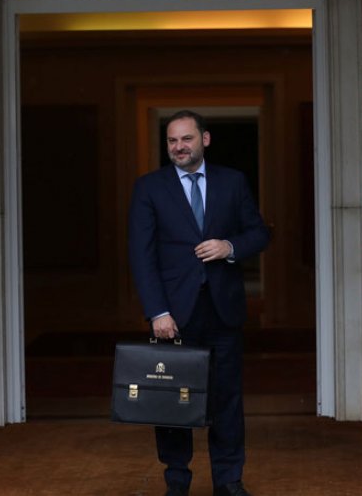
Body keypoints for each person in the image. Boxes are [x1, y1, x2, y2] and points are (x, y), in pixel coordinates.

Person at [128, 109, 270, 496]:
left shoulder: (232, 182)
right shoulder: (149, 188)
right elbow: (142, 256)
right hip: (173, 314)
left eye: (186, 139)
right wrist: (158, 311)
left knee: (227, 400)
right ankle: (177, 481)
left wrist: (230, 247)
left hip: (223, 310)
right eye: (172, 140)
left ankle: (228, 480)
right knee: (173, 400)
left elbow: (258, 233)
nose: (179, 147)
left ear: (204, 140)